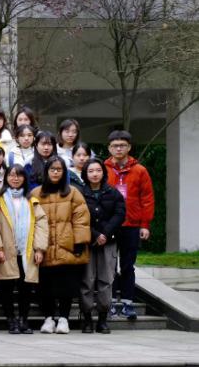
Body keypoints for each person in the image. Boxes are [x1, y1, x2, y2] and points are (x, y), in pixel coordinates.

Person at [35, 156, 91, 335]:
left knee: (66, 286)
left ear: (64, 172)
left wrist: (80, 242)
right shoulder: (36, 193)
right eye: (52, 169)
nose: (55, 172)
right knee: (45, 286)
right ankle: (48, 319)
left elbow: (81, 219)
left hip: (67, 247)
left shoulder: (73, 192)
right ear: (46, 172)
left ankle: (64, 319)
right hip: (44, 247)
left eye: (59, 169)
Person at [0, 163, 49, 334]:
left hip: (27, 251)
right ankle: (11, 320)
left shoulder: (31, 201)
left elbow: (41, 225)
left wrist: (39, 249)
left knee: (26, 287)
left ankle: (24, 320)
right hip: (6, 250)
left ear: (25, 178)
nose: (15, 178)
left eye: (19, 175)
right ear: (6, 178)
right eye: (11, 175)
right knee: (6, 287)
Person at [103, 130, 153, 321]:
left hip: (132, 224)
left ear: (129, 147)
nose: (119, 149)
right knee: (109, 265)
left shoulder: (140, 170)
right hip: (110, 224)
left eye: (122, 145)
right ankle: (110, 302)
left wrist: (145, 224)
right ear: (109, 148)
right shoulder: (103, 169)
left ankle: (127, 303)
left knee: (127, 265)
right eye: (115, 146)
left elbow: (147, 198)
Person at [79, 160, 124, 334]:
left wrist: (105, 233)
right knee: (87, 280)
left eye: (98, 170)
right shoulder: (80, 193)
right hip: (87, 242)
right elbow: (77, 217)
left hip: (109, 242)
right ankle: (87, 318)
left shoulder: (113, 192)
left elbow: (119, 214)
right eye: (91, 171)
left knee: (106, 280)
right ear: (85, 174)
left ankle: (103, 319)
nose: (95, 174)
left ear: (103, 173)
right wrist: (95, 235)